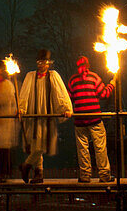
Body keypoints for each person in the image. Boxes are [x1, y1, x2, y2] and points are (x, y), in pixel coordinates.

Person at [18, 48, 72, 184]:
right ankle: (39, 173)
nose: (42, 65)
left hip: (47, 115)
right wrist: (21, 109)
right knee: (37, 144)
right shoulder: (31, 76)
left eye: (45, 62)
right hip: (33, 114)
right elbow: (24, 94)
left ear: (49, 64)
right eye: (40, 62)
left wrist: (66, 108)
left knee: (42, 145)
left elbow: (61, 93)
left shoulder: (53, 75)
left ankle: (26, 165)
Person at [67, 56, 114, 184]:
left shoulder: (72, 80)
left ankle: (85, 176)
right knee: (100, 147)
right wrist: (112, 84)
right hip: (94, 118)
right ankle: (104, 175)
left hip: (79, 119)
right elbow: (104, 94)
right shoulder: (94, 77)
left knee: (82, 149)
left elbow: (68, 97)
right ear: (88, 65)